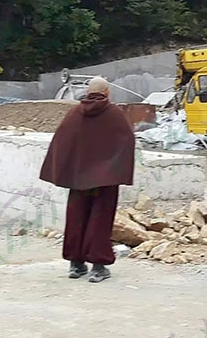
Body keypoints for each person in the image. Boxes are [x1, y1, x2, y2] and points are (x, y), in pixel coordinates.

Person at [40, 76, 135, 283]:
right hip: (105, 180)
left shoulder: (75, 113)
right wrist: (111, 168)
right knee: (100, 220)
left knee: (76, 218)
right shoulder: (115, 114)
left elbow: (62, 140)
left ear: (87, 91)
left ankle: (76, 264)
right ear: (107, 92)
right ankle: (98, 267)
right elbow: (127, 141)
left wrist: (67, 169)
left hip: (78, 179)